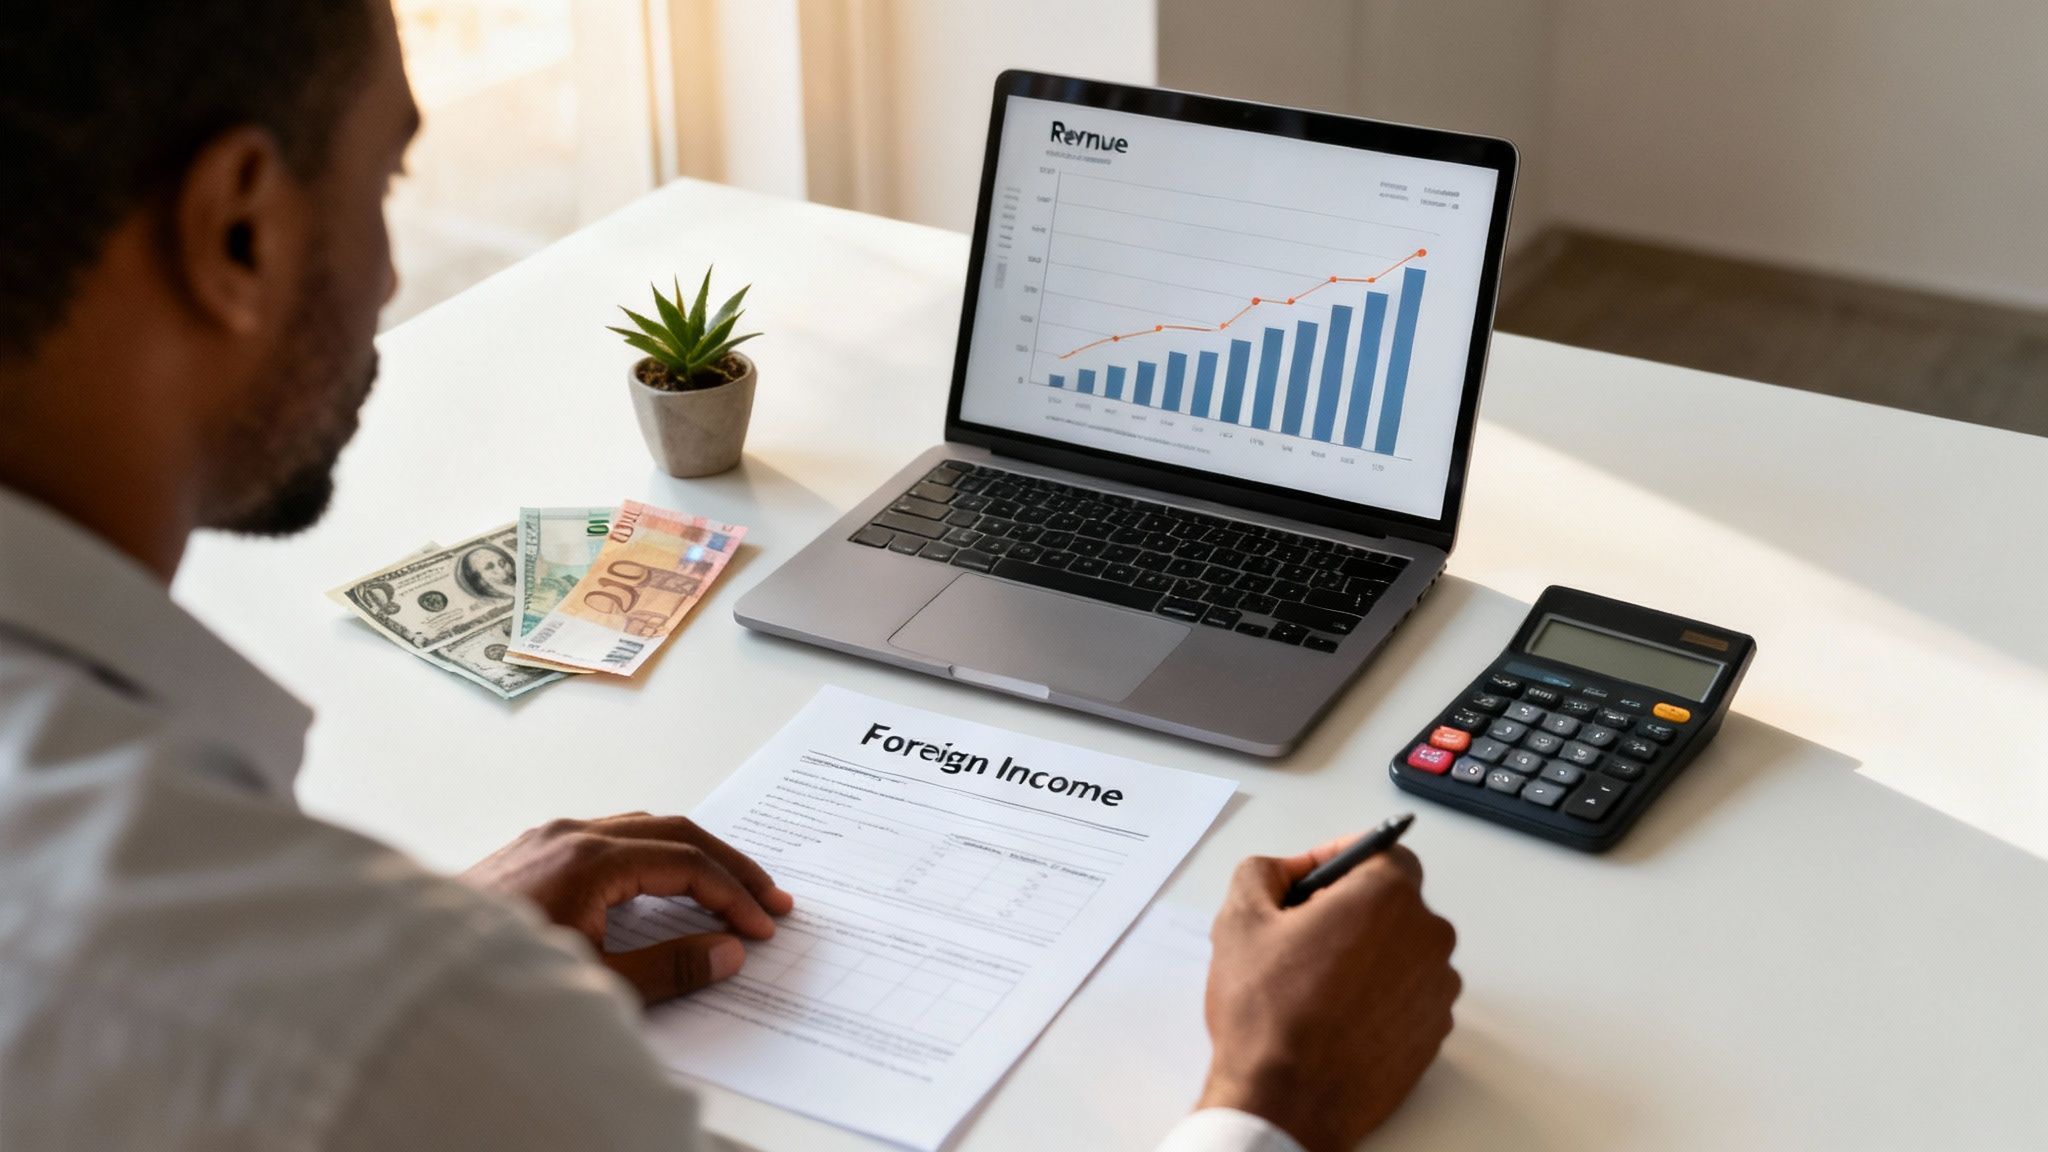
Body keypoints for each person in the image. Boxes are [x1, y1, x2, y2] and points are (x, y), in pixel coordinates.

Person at [0, 4, 1460, 1151]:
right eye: (383, 174)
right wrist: (1272, 1096)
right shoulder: (375, 1032)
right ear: (236, 228)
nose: (390, 273)